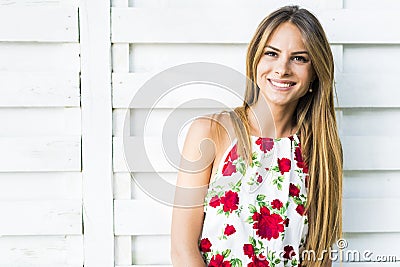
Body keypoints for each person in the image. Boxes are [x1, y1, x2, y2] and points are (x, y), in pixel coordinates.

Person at [171, 5, 342, 267]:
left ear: (315, 74)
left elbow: (320, 253)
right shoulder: (211, 132)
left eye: (299, 58)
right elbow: (183, 251)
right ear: (256, 60)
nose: (282, 68)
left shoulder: (318, 148)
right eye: (271, 53)